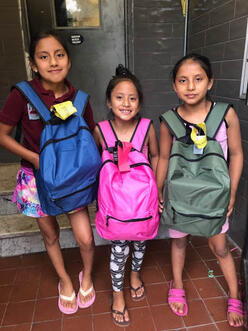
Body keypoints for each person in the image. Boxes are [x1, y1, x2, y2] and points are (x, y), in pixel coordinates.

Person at [0, 30, 96, 314]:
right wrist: (35, 158)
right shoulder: (22, 96)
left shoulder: (80, 99)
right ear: (34, 63)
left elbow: (90, 136)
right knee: (50, 235)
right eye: (44, 57)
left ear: (68, 59)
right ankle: (65, 281)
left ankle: (86, 275)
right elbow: (3, 135)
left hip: (72, 178)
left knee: (86, 238)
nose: (53, 62)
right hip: (35, 177)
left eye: (59, 55)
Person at [156, 53, 243, 328]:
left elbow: (238, 155)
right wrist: (158, 192)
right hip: (180, 198)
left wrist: (231, 194)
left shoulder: (225, 114)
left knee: (219, 246)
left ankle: (234, 294)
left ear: (210, 82)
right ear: (174, 85)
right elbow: (162, 158)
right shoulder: (169, 120)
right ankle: (178, 283)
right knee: (179, 241)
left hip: (215, 198)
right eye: (183, 80)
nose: (191, 86)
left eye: (198, 79)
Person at [94, 65, 159, 327]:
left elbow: (156, 157)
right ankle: (118, 294)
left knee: (141, 243)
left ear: (140, 102)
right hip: (116, 208)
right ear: (109, 102)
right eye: (119, 97)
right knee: (119, 250)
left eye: (133, 98)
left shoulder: (146, 127)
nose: (126, 103)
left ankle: (135, 274)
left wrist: (157, 191)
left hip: (142, 205)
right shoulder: (101, 130)